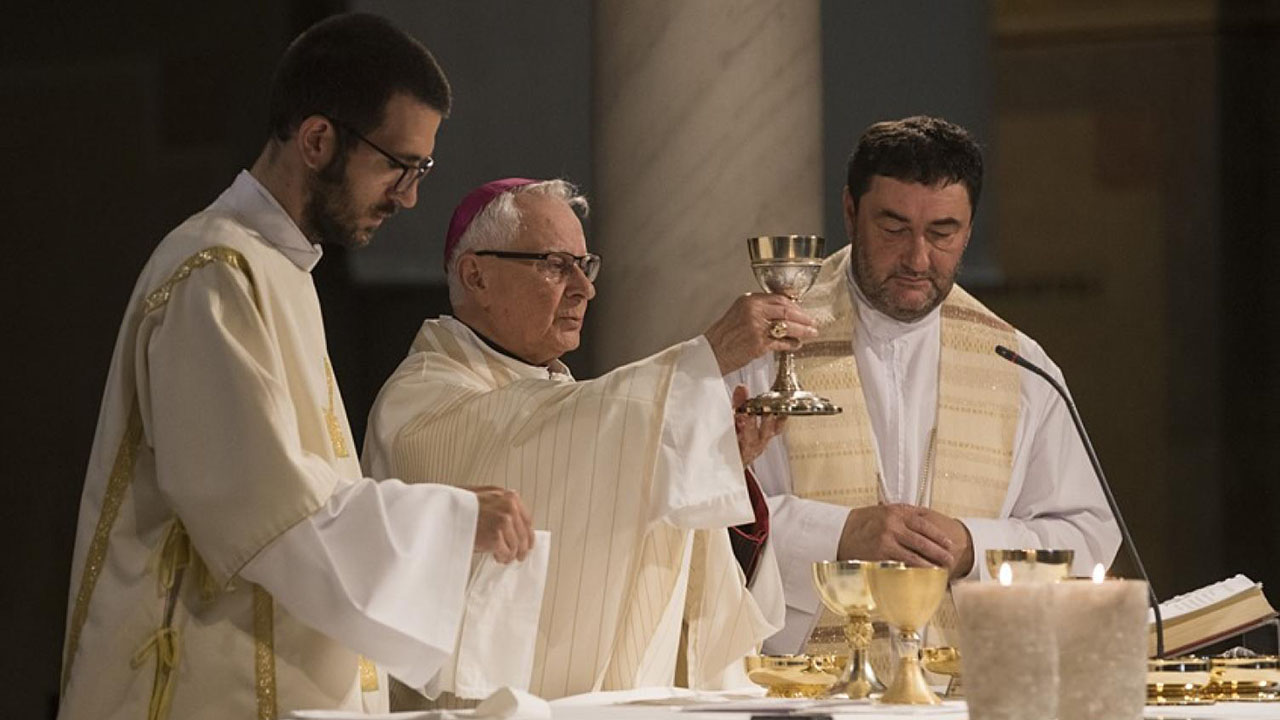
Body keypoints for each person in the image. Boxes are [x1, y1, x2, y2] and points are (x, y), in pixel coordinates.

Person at [57, 14, 535, 720]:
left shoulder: (277, 271)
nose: (408, 196)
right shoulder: (214, 273)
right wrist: (451, 519)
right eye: (399, 166)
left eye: (421, 170)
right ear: (318, 140)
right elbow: (267, 511)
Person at [363, 178, 815, 702]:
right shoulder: (419, 401)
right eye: (556, 265)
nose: (585, 287)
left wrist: (711, 461)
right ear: (476, 275)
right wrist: (702, 360)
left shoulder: (564, 399)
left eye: (586, 264)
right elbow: (526, 438)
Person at [729, 116, 1122, 654]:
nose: (918, 259)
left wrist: (973, 548)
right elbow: (706, 517)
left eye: (943, 233)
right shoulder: (766, 348)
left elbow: (1088, 537)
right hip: (802, 691)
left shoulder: (1018, 364)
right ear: (850, 211)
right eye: (893, 228)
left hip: (964, 691)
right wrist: (838, 536)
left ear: (970, 228)